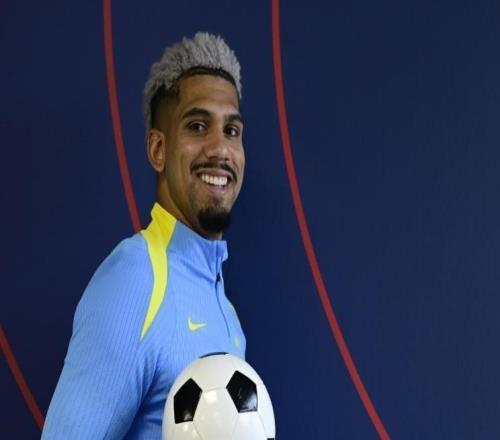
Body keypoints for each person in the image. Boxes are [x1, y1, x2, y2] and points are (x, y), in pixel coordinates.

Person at [42, 32, 247, 439]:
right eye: (198, 126)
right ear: (157, 150)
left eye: (232, 131)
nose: (220, 149)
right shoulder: (136, 279)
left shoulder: (227, 314)